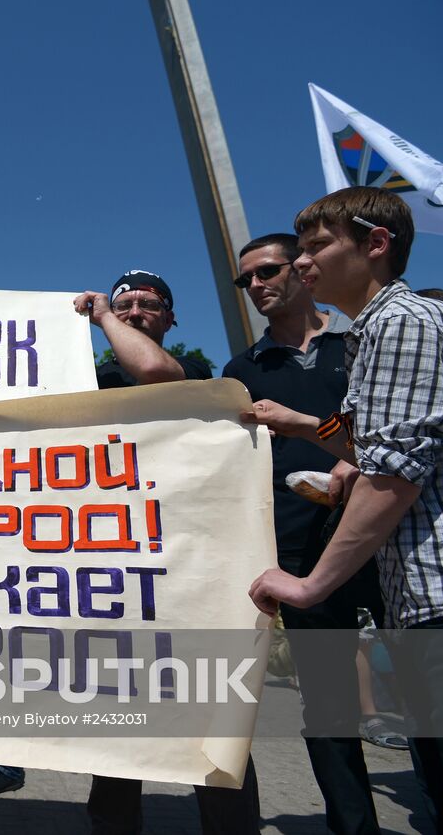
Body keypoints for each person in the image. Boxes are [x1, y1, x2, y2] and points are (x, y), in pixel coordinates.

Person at [247, 187, 443, 835]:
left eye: (316, 247)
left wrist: (310, 584)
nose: (303, 263)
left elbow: (390, 475)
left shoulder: (403, 322)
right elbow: (368, 440)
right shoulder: (377, 332)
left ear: (376, 245)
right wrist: (302, 424)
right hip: (426, 596)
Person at [72, 269, 259, 835]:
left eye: (147, 304)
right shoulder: (86, 379)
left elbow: (154, 371)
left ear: (171, 319)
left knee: (210, 708)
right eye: (123, 303)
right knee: (116, 710)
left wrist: (102, 313)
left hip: (186, 565)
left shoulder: (195, 373)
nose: (132, 312)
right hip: (108, 566)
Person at [222, 234, 380, 835]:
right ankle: (353, 826)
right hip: (300, 553)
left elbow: (382, 424)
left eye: (267, 271)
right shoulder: (242, 370)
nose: (257, 285)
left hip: (391, 540)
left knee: (428, 696)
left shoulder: (361, 344)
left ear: (302, 269)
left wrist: (342, 448)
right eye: (246, 280)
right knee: (329, 704)